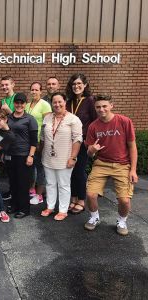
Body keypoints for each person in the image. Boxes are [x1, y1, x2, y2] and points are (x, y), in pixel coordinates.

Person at [84, 95, 138, 236]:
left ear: (111, 105)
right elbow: (89, 153)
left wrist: (133, 170)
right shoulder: (93, 126)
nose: (101, 109)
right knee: (90, 194)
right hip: (101, 164)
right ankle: (94, 217)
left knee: (124, 200)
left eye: (104, 106)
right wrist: (92, 150)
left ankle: (122, 221)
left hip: (122, 165)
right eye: (98, 107)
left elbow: (132, 147)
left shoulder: (124, 121)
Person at [40, 92, 82, 221]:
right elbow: (42, 137)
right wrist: (40, 152)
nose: (57, 104)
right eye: (54, 102)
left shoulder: (73, 119)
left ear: (65, 102)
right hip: (48, 157)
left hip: (65, 158)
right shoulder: (47, 118)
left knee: (63, 185)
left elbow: (77, 139)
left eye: (60, 102)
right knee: (50, 183)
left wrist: (73, 157)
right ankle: (50, 206)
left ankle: (63, 210)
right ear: (51, 104)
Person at [66, 74, 97, 214]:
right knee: (70, 170)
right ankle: (73, 197)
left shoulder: (90, 101)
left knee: (79, 171)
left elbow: (95, 122)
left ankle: (81, 199)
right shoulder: (69, 102)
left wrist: (90, 141)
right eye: (73, 84)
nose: (76, 86)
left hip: (83, 142)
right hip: (69, 142)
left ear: (85, 85)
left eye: (79, 84)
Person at [7, 93, 38, 218]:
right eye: (17, 102)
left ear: (25, 104)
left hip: (24, 155)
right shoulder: (9, 117)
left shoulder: (30, 119)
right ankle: (14, 205)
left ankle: (24, 209)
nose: (19, 105)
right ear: (14, 103)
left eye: (22, 103)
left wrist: (31, 156)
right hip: (10, 155)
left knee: (23, 183)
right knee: (13, 182)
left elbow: (34, 140)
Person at [26, 82, 52, 205]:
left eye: (37, 90)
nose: (34, 92)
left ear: (41, 91)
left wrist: (42, 142)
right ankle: (31, 189)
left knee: (40, 168)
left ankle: (40, 194)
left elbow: (47, 125)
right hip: (28, 141)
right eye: (32, 90)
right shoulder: (27, 105)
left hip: (40, 141)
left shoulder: (45, 105)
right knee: (30, 167)